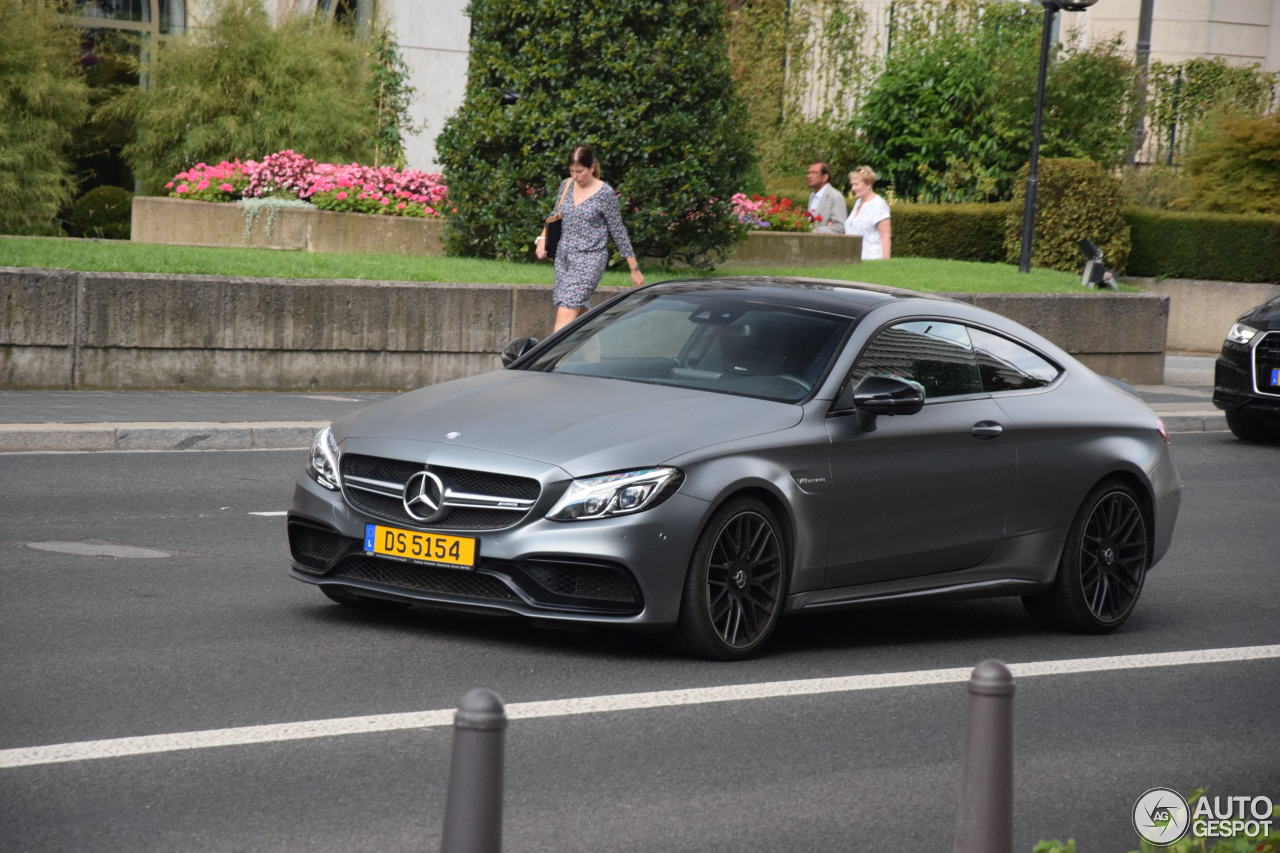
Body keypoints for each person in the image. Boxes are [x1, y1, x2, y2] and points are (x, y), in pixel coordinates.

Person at [535, 145, 644, 331]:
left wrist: (634, 268)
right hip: (564, 257)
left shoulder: (605, 193)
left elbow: (618, 230)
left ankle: (549, 360)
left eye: (580, 171)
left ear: (592, 167)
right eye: (572, 171)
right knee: (580, 315)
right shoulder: (566, 185)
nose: (576, 176)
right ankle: (593, 357)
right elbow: (555, 215)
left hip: (589, 259)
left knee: (565, 311)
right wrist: (542, 240)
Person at [843, 165, 892, 260]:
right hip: (853, 260)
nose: (852, 188)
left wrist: (886, 264)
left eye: (856, 184)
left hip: (872, 260)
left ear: (868, 185)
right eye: (852, 185)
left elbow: (885, 236)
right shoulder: (858, 203)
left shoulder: (879, 204)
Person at [806, 162, 847, 235]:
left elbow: (840, 228)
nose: (809, 176)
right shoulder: (812, 196)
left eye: (814, 173)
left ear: (825, 177)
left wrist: (813, 230)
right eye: (808, 173)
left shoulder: (835, 197)